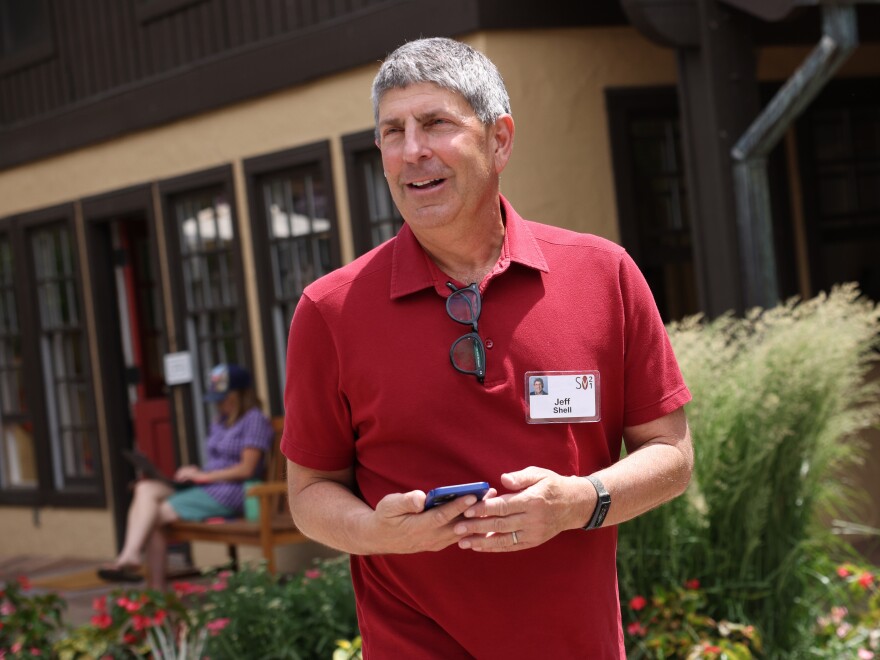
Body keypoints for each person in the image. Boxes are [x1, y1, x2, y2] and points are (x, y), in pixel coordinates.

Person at [282, 37, 693, 658]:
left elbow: (670, 454)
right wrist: (378, 531)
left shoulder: (603, 274)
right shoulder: (329, 310)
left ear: (499, 140)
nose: (412, 150)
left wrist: (579, 502)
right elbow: (310, 490)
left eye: (435, 123)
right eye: (393, 132)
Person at [98, 364, 274, 589]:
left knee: (155, 515)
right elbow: (216, 461)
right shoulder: (220, 421)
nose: (219, 404)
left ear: (240, 395)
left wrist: (204, 476)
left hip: (233, 491)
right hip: (208, 486)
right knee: (145, 488)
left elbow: (246, 469)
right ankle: (130, 556)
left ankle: (156, 589)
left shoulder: (254, 419)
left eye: (224, 398)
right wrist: (193, 473)